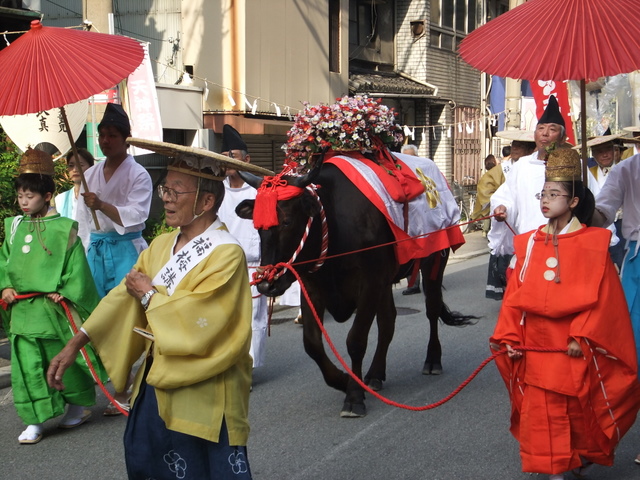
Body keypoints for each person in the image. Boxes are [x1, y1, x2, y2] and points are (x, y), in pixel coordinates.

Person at [47, 139, 271, 479]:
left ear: (207, 201)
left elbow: (204, 321)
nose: (164, 197)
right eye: (164, 187)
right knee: (144, 456)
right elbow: (123, 299)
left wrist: (151, 296)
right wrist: (75, 343)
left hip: (205, 386)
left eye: (176, 191)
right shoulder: (162, 244)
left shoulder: (226, 253)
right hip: (158, 376)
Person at [490, 148, 640, 480]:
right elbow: (514, 297)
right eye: (543, 194)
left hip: (571, 345)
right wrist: (511, 337)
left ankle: (575, 458)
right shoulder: (528, 242)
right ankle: (553, 468)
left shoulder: (594, 242)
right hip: (535, 344)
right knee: (540, 409)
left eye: (554, 194)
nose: (545, 201)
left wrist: (582, 334)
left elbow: (605, 299)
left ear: (573, 201)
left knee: (577, 408)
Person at [1, 148, 105, 444]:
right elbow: (3, 260)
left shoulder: (65, 228)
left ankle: (77, 403)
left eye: (29, 196)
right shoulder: (14, 227)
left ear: (47, 196)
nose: (23, 202)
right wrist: (4, 286)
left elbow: (77, 268)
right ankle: (33, 419)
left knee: (63, 363)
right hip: (22, 310)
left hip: (52, 308)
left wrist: (66, 292)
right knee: (26, 367)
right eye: (20, 196)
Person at [76, 103, 153, 415]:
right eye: (102, 135)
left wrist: (104, 205)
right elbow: (82, 222)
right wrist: (82, 256)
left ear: (126, 138)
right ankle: (124, 379)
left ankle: (124, 387)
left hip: (126, 250)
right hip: (97, 250)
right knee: (100, 318)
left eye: (111, 135)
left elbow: (137, 215)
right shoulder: (90, 174)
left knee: (127, 318)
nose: (105, 140)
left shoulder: (139, 173)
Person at [591, 152, 640, 465]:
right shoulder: (627, 169)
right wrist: (580, 203)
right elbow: (602, 213)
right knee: (631, 350)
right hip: (638, 262)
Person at [218, 124, 269, 369]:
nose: (227, 161)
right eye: (224, 157)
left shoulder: (261, 191)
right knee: (225, 316)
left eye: (233, 156)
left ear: (246, 159)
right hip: (223, 264)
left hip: (252, 264)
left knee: (252, 317)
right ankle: (227, 362)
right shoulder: (217, 191)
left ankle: (248, 365)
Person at [484, 130, 536, 300]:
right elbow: (498, 193)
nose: (515, 149)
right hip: (510, 224)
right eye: (513, 145)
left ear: (530, 150)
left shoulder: (533, 167)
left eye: (520, 146)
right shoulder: (504, 169)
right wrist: (500, 207)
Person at [584, 131, 626, 269]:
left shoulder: (626, 169)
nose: (604, 155)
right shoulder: (589, 173)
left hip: (624, 224)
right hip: (600, 225)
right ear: (593, 154)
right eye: (599, 151)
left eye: (607, 150)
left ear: (615, 151)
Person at [400, 143, 422, 295]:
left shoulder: (422, 171)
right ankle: (412, 283)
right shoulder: (399, 172)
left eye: (411, 157)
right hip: (407, 216)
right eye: (405, 157)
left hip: (421, 215)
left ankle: (420, 281)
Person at [54, 148, 95, 221]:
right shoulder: (61, 199)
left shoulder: (97, 197)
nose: (75, 169)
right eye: (71, 165)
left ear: (91, 167)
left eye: (80, 165)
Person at [472, 155, 501, 237]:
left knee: (487, 213)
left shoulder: (486, 175)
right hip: (494, 200)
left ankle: (485, 230)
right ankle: (487, 231)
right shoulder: (496, 173)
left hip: (488, 200)